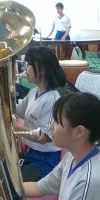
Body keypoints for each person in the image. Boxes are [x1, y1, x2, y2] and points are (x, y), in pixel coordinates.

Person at [15, 46, 66, 181]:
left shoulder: (52, 99)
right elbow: (18, 111)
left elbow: (44, 137)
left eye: (29, 65)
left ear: (42, 69)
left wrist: (16, 128)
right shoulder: (33, 93)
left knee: (15, 186)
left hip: (46, 160)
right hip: (31, 154)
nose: (25, 69)